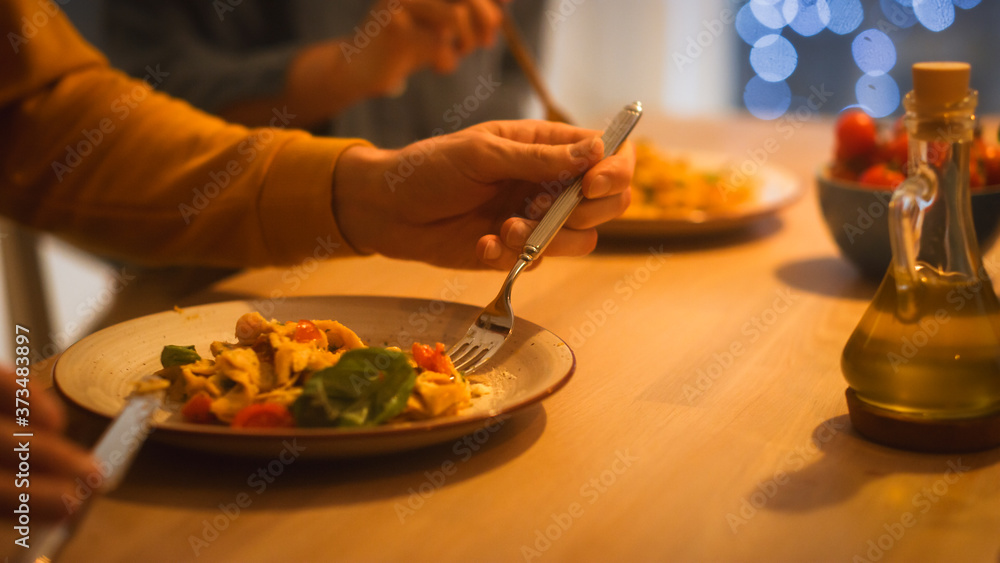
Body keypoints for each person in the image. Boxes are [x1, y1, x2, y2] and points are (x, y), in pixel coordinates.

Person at [1, 0, 634, 523]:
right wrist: (350, 72)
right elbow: (106, 102)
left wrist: (374, 195)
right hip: (188, 296)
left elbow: (45, 111)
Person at [103, 0, 543, 146]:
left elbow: (509, 87)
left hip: (457, 249)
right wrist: (346, 70)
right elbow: (133, 125)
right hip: (218, 265)